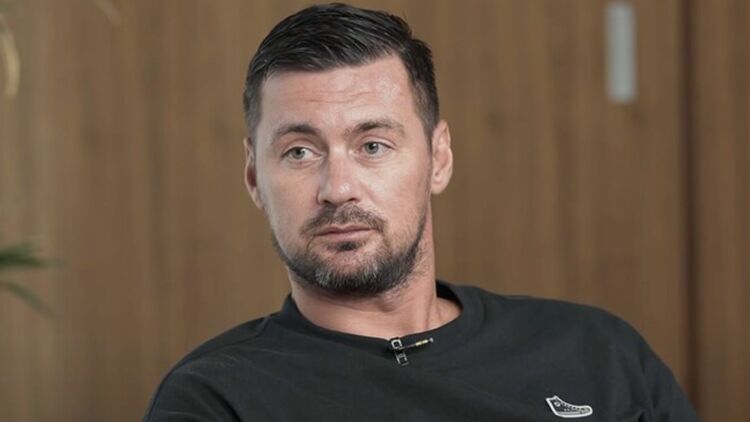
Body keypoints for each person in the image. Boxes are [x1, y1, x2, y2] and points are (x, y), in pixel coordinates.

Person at [144, 3, 698, 421]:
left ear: (439, 158)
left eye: (373, 146)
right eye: (300, 153)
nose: (338, 189)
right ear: (254, 179)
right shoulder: (216, 398)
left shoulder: (597, 352)